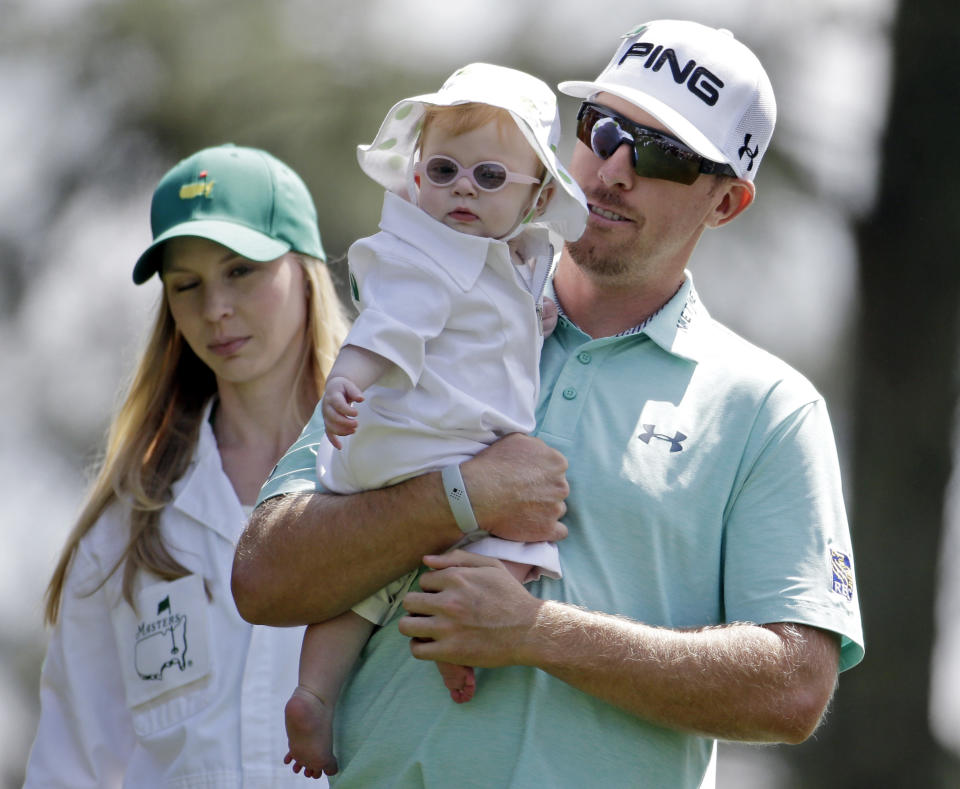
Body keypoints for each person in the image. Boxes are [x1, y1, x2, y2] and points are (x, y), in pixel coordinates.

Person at [232, 20, 865, 789]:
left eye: (663, 154)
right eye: (604, 130)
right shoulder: (428, 307)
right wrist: (459, 498)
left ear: (726, 201)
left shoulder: (770, 408)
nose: (615, 169)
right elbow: (264, 575)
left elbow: (795, 685)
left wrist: (537, 633)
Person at [282, 63, 588, 779]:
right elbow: (389, 326)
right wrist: (346, 383)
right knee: (526, 541)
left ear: (536, 195)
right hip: (437, 443)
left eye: (488, 178)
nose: (461, 190)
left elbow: (492, 329)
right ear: (416, 177)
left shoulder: (509, 263)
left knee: (361, 583)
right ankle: (460, 638)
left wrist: (534, 311)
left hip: (394, 456)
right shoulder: (429, 256)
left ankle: (313, 691)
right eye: (444, 170)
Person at [23, 144, 349, 789]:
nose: (215, 308)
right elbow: (73, 766)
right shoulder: (125, 529)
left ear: (304, 266)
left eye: (242, 271)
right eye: (186, 285)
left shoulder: (392, 476)